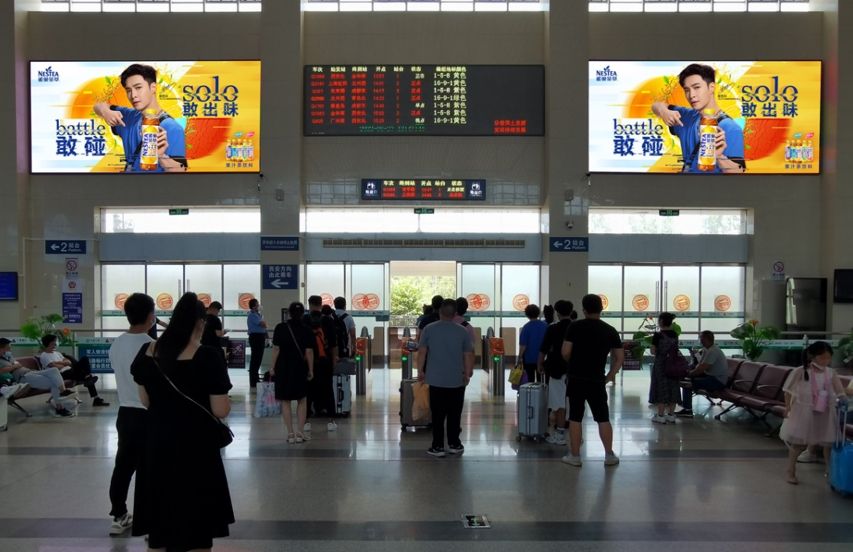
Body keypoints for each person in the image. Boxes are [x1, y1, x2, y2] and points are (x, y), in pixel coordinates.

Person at [130, 292, 234, 549]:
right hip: (197, 448)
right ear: (200, 323)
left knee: (160, 526)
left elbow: (145, 400)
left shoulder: (147, 352)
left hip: (157, 445)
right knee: (198, 528)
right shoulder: (208, 356)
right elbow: (220, 409)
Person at [107, 293, 155, 536]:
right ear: (151, 316)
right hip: (150, 414)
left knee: (123, 466)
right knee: (152, 468)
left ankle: (119, 515)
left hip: (125, 414)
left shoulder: (116, 344)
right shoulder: (153, 345)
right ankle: (151, 522)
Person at [561, 294, 623, 467]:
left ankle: (575, 456)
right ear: (601, 309)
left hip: (576, 378)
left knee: (575, 417)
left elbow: (565, 352)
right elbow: (619, 358)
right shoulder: (609, 330)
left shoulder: (574, 327)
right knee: (603, 417)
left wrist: (574, 363)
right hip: (597, 379)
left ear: (584, 310)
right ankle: (609, 455)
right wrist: (609, 376)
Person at [651, 63, 745, 174]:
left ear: (711, 87)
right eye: (687, 90)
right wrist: (664, 112)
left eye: (697, 87)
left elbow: (738, 172)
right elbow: (656, 105)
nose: (691, 95)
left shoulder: (730, 128)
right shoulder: (686, 116)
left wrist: (719, 156)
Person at [93, 64, 187, 173]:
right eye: (128, 90)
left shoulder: (172, 128)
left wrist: (161, 156)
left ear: (153, 88)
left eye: (138, 88)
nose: (133, 95)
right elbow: (98, 106)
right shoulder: (128, 117)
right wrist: (106, 112)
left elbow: (180, 171)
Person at [780, 341, 851, 485]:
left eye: (828, 358)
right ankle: (790, 471)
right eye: (822, 357)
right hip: (804, 410)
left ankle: (831, 471)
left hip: (825, 411)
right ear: (812, 356)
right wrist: (787, 407)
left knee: (828, 443)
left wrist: (843, 399)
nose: (826, 361)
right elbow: (787, 390)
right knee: (799, 444)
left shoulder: (830, 372)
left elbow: (839, 390)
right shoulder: (801, 371)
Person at [417, 298, 474, 458]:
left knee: (437, 415)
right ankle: (454, 443)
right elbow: (468, 354)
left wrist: (420, 371)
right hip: (456, 380)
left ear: (440, 311)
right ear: (455, 313)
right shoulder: (462, 331)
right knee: (455, 413)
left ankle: (438, 446)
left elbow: (422, 352)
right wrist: (467, 373)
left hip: (435, 380)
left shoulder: (429, 329)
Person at [271, 302, 315, 444]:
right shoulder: (307, 329)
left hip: (283, 367)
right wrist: (311, 369)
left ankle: (290, 434)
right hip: (300, 367)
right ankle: (300, 433)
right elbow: (309, 351)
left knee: (286, 401)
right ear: (303, 313)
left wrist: (272, 367)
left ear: (289, 313)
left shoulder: (280, 327)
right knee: (302, 400)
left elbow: (276, 349)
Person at [0, 337, 73, 417]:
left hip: (30, 372)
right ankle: (60, 408)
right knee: (54, 382)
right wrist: (14, 366)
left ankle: (63, 392)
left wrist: (14, 366)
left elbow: (18, 365)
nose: (10, 350)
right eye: (8, 348)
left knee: (54, 370)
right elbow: (2, 370)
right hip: (23, 377)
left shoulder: (9, 357)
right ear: (1, 348)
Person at [537, 300, 573, 445]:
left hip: (557, 370)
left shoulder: (553, 328)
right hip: (575, 371)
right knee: (574, 403)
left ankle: (560, 435)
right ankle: (577, 435)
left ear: (557, 313)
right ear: (571, 311)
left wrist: (540, 364)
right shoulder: (577, 327)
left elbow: (543, 349)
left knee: (559, 404)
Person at [39, 334, 109, 407]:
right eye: (54, 341)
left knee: (85, 360)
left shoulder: (57, 353)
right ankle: (96, 398)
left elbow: (69, 362)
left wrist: (59, 362)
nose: (56, 343)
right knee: (87, 377)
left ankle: (89, 381)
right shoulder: (44, 355)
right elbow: (56, 367)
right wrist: (64, 363)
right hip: (61, 375)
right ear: (50, 343)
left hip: (71, 371)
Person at [304, 295, 338, 432]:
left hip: (308, 362)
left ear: (310, 304)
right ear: (321, 304)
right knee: (328, 390)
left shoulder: (305, 319)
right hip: (325, 361)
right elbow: (333, 344)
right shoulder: (328, 320)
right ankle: (331, 421)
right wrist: (334, 360)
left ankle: (306, 421)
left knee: (308, 391)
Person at [676, 330, 728, 418]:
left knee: (687, 385)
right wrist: (688, 373)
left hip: (717, 381)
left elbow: (702, 368)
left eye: (701, 338)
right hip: (710, 376)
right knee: (684, 379)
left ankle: (687, 410)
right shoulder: (706, 350)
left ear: (706, 339)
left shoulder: (713, 351)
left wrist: (689, 374)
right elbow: (700, 365)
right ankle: (683, 404)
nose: (700, 340)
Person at [649, 312, 682, 424]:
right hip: (673, 364)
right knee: (673, 387)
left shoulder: (658, 335)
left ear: (661, 322)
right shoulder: (675, 334)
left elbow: (653, 351)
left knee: (661, 387)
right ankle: (671, 415)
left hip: (661, 364)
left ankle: (660, 415)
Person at [518, 304, 548, 384]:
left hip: (529, 359)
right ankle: (540, 391)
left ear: (527, 314)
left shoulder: (526, 327)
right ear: (538, 313)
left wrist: (519, 357)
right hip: (542, 358)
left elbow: (523, 345)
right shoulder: (545, 326)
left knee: (529, 380)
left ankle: (530, 391)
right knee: (540, 380)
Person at [246, 298, 268, 390]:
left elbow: (264, 325)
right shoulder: (252, 315)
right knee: (255, 360)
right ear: (254, 306)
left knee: (258, 359)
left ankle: (256, 379)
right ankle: (253, 381)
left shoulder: (258, 315)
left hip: (260, 337)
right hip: (256, 338)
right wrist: (264, 323)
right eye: (257, 304)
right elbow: (263, 324)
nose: (259, 306)